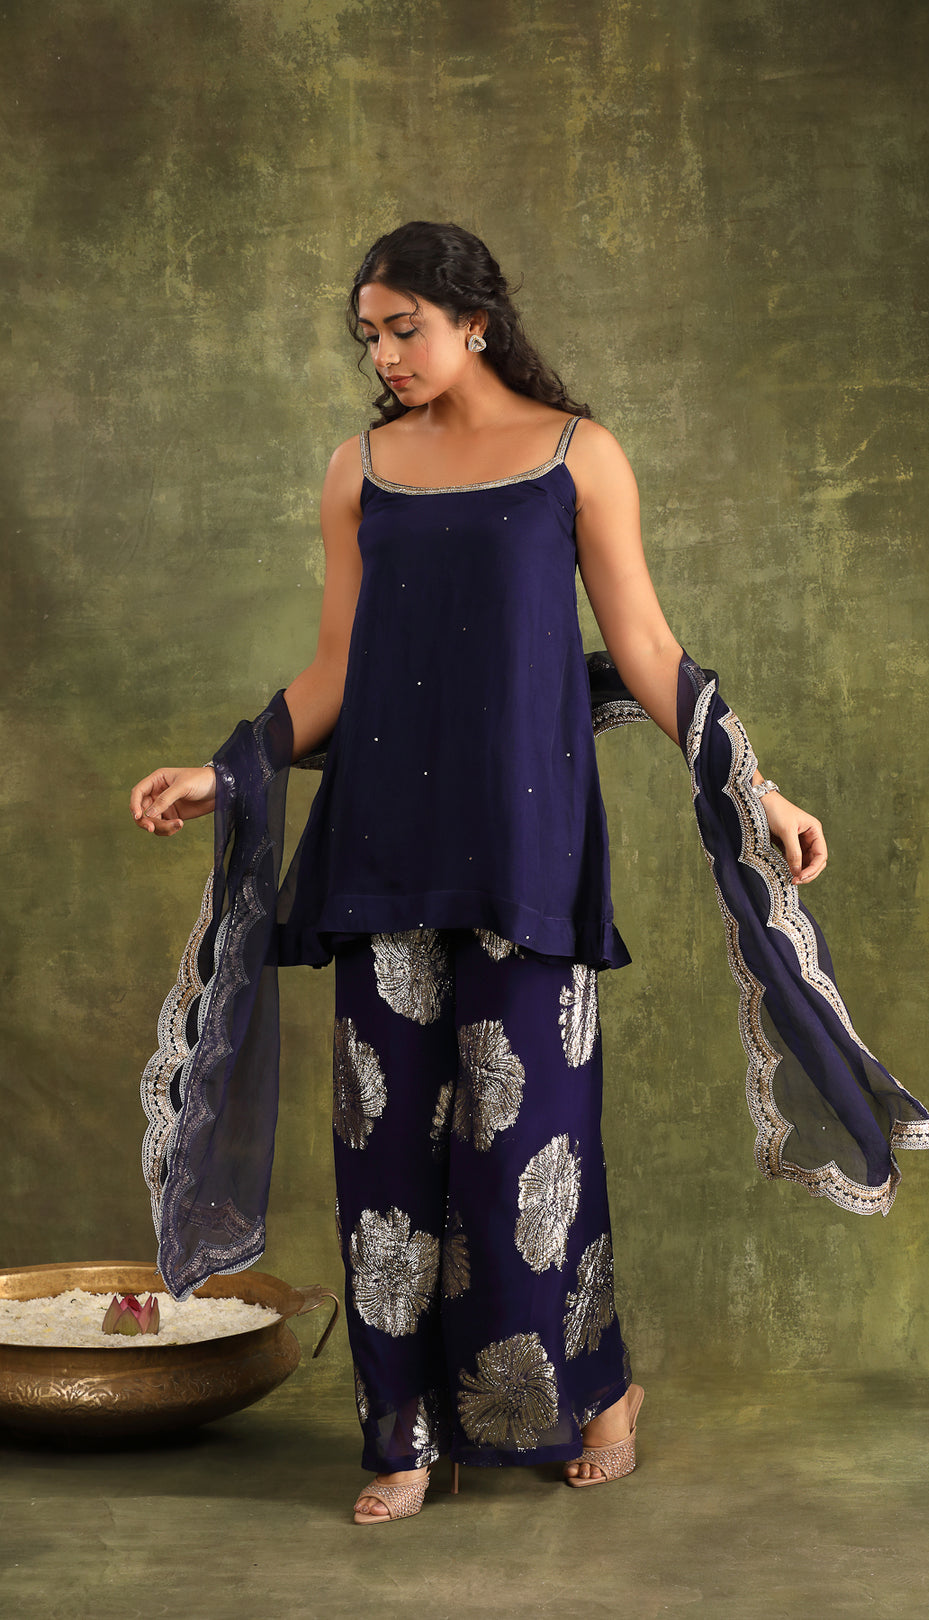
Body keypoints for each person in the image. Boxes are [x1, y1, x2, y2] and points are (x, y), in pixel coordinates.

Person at [128, 221, 844, 1524]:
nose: (384, 355)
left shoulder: (579, 457)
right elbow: (337, 668)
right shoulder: (361, 471)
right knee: (384, 1156)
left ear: (475, 320)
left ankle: (595, 1391)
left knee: (531, 1151)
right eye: (369, 335)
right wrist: (225, 771)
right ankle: (403, 1435)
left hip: (530, 852)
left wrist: (760, 789)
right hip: (382, 849)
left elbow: (644, 646)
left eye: (404, 327)